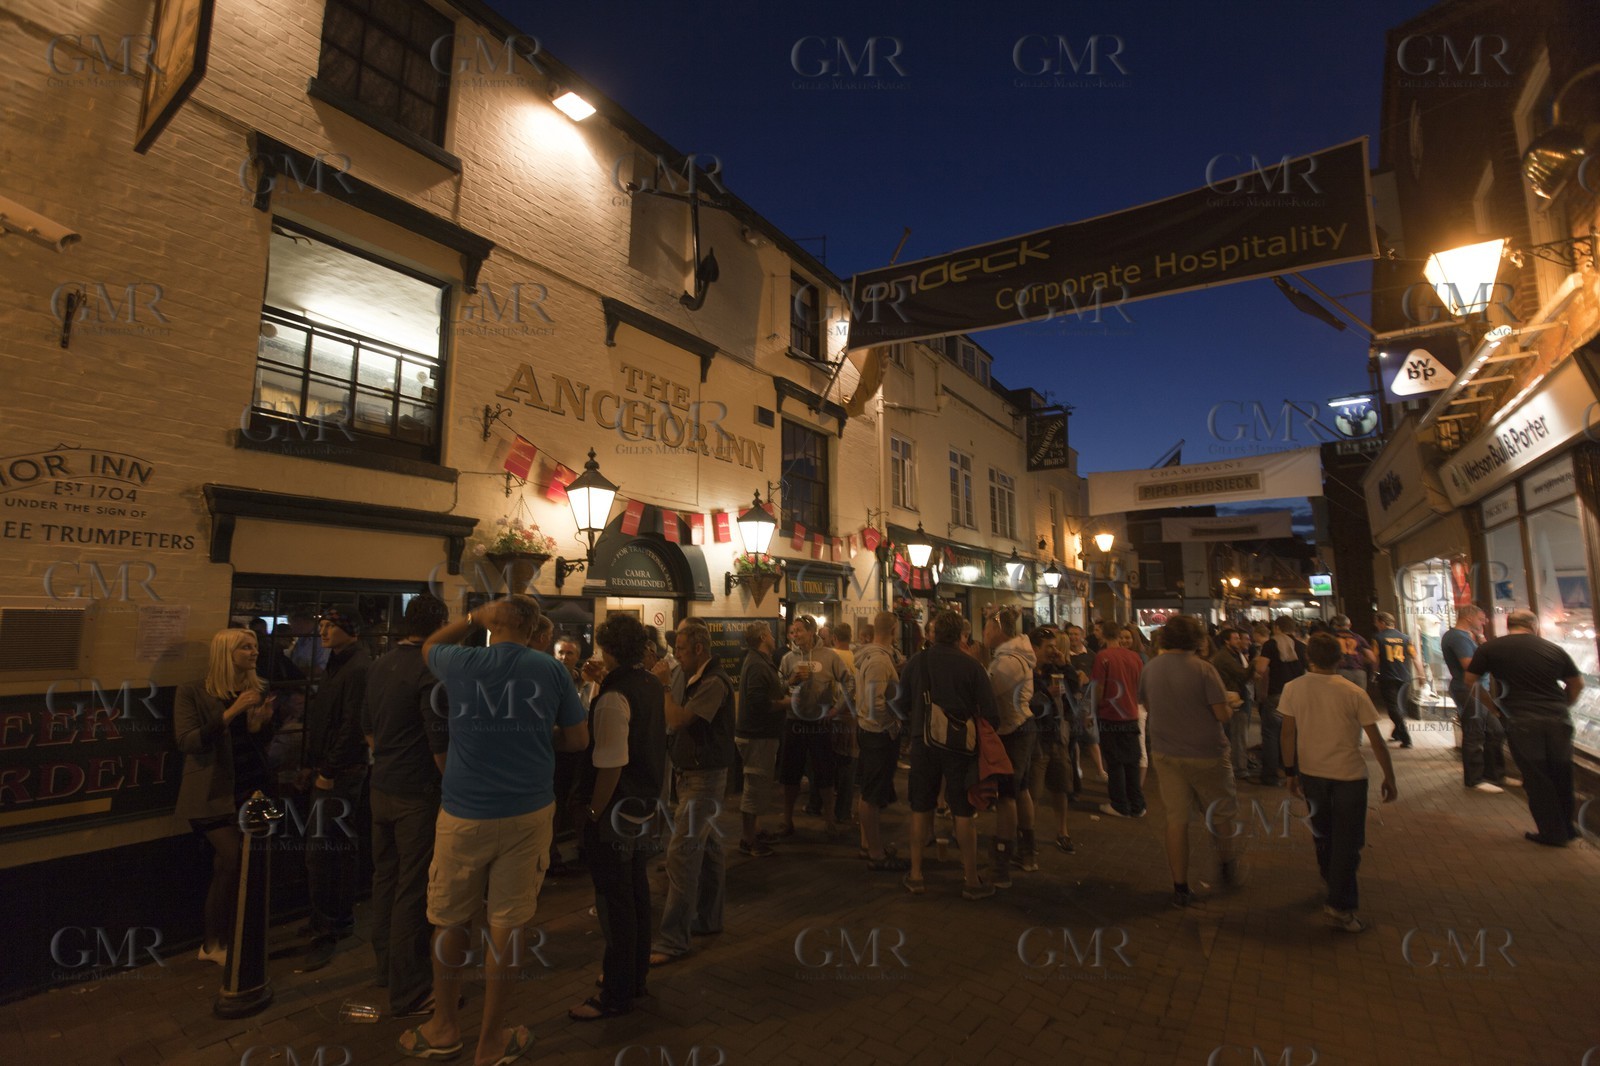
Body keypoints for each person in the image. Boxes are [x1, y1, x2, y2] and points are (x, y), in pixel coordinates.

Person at [400, 596, 588, 1065]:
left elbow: (427, 647)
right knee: (507, 924)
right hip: (528, 811)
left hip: (465, 812)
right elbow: (579, 740)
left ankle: (444, 1027)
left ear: (492, 622)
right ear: (532, 629)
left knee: (449, 919)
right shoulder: (551, 671)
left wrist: (470, 619)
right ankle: (491, 1041)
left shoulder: (463, 660)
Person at [569, 614, 666, 1019]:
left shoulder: (614, 696)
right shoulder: (648, 683)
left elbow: (610, 763)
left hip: (615, 810)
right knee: (636, 893)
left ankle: (616, 992)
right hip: (643, 805)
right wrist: (601, 679)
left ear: (608, 648)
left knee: (615, 902)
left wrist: (592, 811)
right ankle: (634, 977)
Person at [363, 594, 450, 1018]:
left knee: (385, 879)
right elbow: (439, 748)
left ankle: (386, 970)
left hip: (380, 786)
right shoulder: (431, 669)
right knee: (412, 891)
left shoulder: (379, 664)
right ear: (440, 626)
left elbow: (369, 733)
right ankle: (411, 992)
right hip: (416, 794)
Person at [1280, 632, 1399, 933]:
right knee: (1349, 840)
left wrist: (1290, 771)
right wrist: (1390, 776)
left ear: (1308, 658)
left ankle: (1330, 878)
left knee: (1323, 831)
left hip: (1311, 772)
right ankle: (1341, 904)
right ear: (1340, 658)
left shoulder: (1293, 688)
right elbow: (1376, 741)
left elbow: (1288, 733)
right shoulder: (1353, 691)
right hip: (1349, 775)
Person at [174, 629, 276, 964]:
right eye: (245, 647)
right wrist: (231, 712)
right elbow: (188, 741)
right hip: (210, 794)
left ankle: (215, 942)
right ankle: (215, 941)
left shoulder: (252, 689)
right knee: (233, 860)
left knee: (227, 869)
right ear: (225, 653)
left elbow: (249, 745)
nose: (253, 652)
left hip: (248, 790)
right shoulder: (193, 691)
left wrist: (259, 726)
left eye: (255, 647)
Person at [898, 610, 1001, 900]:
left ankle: (916, 874)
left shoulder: (916, 663)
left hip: (923, 742)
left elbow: (900, 702)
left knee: (920, 807)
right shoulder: (972, 666)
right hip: (960, 747)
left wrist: (915, 723)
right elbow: (991, 714)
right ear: (961, 636)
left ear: (933, 633)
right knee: (963, 810)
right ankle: (970, 879)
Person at [650, 620, 736, 964]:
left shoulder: (714, 681)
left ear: (698, 649)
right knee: (711, 849)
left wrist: (665, 689)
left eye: (682, 649)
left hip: (704, 779)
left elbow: (678, 719)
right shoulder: (696, 676)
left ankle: (674, 939)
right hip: (694, 775)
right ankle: (709, 919)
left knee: (682, 854)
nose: (678, 655)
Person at [1140, 616, 1242, 907]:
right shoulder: (1204, 670)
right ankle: (1226, 866)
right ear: (1196, 639)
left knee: (1176, 820)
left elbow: (1147, 705)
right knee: (1221, 812)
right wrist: (1231, 706)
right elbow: (1221, 714)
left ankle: (1180, 887)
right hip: (1206, 753)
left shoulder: (1150, 669)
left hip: (1166, 753)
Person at [1465, 610, 1585, 846]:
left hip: (1522, 720)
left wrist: (1494, 708)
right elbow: (1577, 684)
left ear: (1509, 625)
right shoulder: (1552, 648)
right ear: (1534, 625)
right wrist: (1564, 705)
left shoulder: (1490, 649)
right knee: (1561, 773)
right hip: (1557, 719)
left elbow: (1470, 681)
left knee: (1537, 777)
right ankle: (1568, 828)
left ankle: (1552, 833)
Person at [300, 604, 371, 970]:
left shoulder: (357, 667)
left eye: (331, 625)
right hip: (330, 767)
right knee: (332, 846)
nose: (324, 632)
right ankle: (329, 919)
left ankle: (331, 924)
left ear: (349, 629)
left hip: (341, 772)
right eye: (323, 625)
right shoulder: (340, 662)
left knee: (325, 848)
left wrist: (328, 768)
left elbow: (353, 725)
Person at [777, 616, 852, 836]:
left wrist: (837, 709)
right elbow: (776, 686)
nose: (795, 635)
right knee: (790, 774)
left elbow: (849, 682)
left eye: (799, 631)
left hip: (820, 723)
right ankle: (787, 820)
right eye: (793, 632)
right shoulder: (788, 659)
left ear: (812, 632)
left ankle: (829, 820)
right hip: (794, 722)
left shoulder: (829, 656)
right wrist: (790, 681)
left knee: (824, 773)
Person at [854, 611, 909, 870]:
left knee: (870, 791)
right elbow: (875, 704)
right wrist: (892, 726)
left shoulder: (876, 657)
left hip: (869, 731)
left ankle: (868, 843)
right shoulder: (878, 661)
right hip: (876, 734)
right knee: (871, 795)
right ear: (894, 630)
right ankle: (875, 852)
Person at [985, 607, 1036, 883]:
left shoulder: (1008, 662)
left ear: (997, 629)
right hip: (1021, 727)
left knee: (1006, 796)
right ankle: (1028, 853)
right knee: (1021, 790)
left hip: (1013, 731)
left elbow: (987, 693)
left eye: (986, 628)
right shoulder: (1015, 655)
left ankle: (1001, 864)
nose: (984, 634)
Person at [1444, 605, 1515, 793]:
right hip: (1468, 689)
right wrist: (1489, 657)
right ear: (1469, 617)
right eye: (1481, 618)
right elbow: (1469, 665)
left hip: (1478, 689)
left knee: (1496, 730)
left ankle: (1495, 775)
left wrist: (1482, 639)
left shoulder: (1466, 637)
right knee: (1474, 732)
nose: (1484, 622)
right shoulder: (1458, 637)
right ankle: (1474, 779)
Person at [735, 622, 787, 858]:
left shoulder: (761, 660)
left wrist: (788, 682)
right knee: (754, 786)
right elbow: (757, 702)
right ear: (763, 636)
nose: (775, 637)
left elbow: (768, 690)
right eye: (771, 633)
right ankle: (748, 840)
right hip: (757, 735)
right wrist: (786, 703)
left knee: (757, 784)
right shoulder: (757, 664)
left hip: (762, 734)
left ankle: (754, 831)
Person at [1025, 627, 1075, 854]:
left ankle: (1063, 831)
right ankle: (1029, 834)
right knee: (1033, 790)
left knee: (1060, 786)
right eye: (1049, 647)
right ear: (1036, 648)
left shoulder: (1055, 668)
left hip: (1056, 735)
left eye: (1055, 646)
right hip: (1036, 737)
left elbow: (1075, 688)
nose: (1053, 651)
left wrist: (1065, 665)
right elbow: (1027, 703)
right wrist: (1047, 693)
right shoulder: (1027, 671)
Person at [1092, 621, 1145, 818]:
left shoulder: (1103, 657)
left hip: (1110, 715)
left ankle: (1120, 804)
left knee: (1115, 763)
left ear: (1103, 635)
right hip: (1131, 714)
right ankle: (1137, 804)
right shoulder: (1135, 657)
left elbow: (1098, 687)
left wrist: (1094, 707)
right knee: (1131, 761)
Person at [1253, 615, 1308, 787]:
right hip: (1297, 696)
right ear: (1293, 629)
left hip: (1277, 694)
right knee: (1296, 735)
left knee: (1271, 735)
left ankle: (1270, 776)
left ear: (1276, 628)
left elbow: (1261, 669)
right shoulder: (1301, 646)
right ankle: (1296, 772)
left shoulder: (1271, 644)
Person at [1372, 612, 1421, 749]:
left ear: (1382, 622)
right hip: (1405, 677)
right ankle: (1397, 733)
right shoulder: (1406, 638)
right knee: (1399, 706)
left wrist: (1375, 673)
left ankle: (1406, 737)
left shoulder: (1378, 638)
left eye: (1377, 622)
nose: (1376, 625)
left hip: (1387, 677)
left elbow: (1376, 659)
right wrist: (1421, 675)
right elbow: (1415, 657)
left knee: (1393, 708)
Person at [1211, 627, 1254, 778]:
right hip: (1233, 698)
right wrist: (1255, 662)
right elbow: (1241, 674)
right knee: (1238, 733)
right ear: (1226, 641)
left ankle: (1237, 764)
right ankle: (1239, 767)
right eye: (1235, 638)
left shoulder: (1234, 654)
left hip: (1237, 695)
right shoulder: (1225, 657)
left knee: (1236, 732)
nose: (1239, 640)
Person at [1063, 624, 1103, 788]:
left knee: (1091, 736)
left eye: (1076, 634)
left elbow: (1097, 678)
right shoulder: (1065, 656)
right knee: (1074, 738)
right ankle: (1077, 767)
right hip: (1069, 700)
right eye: (1070, 634)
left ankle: (1100, 770)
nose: (1073, 637)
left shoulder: (1091, 655)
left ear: (1082, 635)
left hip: (1086, 700)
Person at [1330, 614, 1376, 693]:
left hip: (1340, 672)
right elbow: (1372, 658)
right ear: (1349, 625)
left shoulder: (1331, 638)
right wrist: (1361, 660)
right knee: (1360, 700)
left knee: (1343, 700)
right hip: (1359, 673)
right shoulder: (1358, 638)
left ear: (1335, 626)